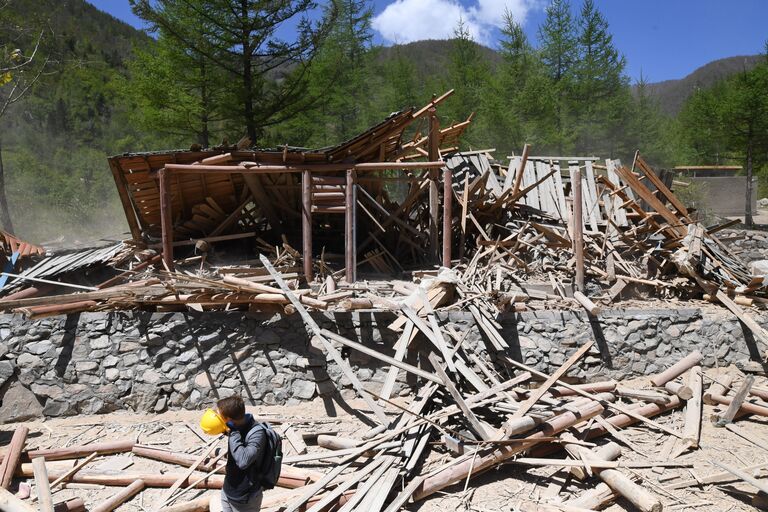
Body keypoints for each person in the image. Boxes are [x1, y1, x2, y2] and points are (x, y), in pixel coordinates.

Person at [217, 395, 266, 512]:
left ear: (228, 418)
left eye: (219, 415)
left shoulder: (257, 433)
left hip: (246, 498)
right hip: (228, 490)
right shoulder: (233, 425)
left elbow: (243, 461)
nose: (217, 416)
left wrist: (233, 433)